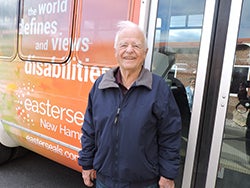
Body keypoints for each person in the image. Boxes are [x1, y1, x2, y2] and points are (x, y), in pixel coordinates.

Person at [78, 20, 182, 188]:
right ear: (116, 51)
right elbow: (89, 129)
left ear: (145, 52)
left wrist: (167, 174)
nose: (129, 51)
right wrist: (87, 163)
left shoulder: (158, 88)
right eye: (123, 45)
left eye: (136, 46)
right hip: (104, 180)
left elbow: (170, 135)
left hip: (144, 182)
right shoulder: (100, 85)